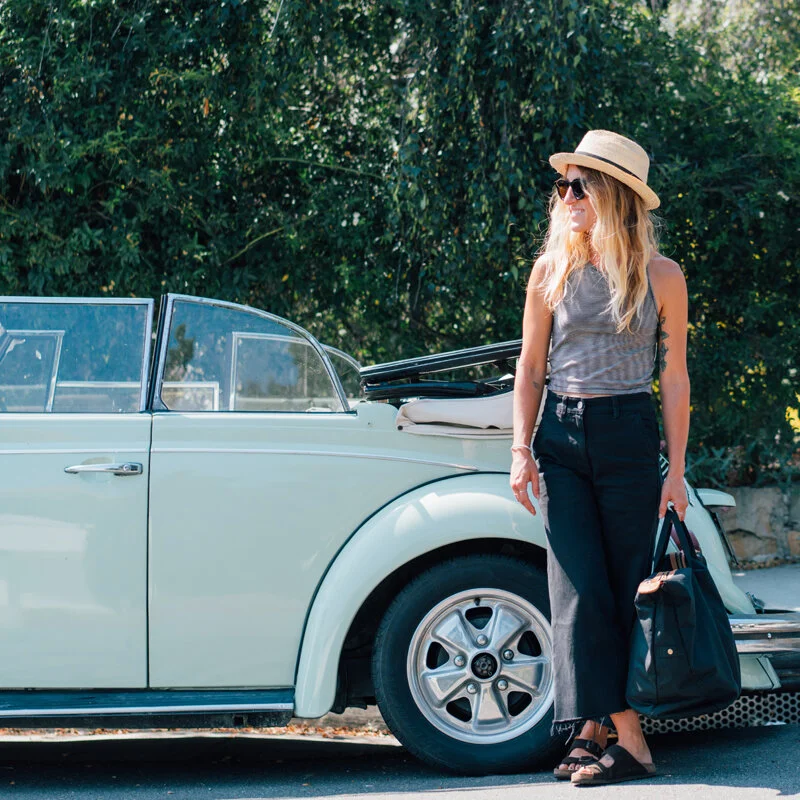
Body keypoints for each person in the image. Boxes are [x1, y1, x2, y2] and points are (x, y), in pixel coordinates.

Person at [510, 130, 690, 786]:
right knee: (577, 590)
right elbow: (529, 369)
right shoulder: (549, 271)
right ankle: (627, 738)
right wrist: (520, 450)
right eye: (563, 186)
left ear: (614, 197)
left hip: (629, 436)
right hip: (561, 435)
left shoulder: (661, 275)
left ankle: (596, 731)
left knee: (619, 589)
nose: (566, 197)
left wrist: (676, 472)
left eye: (580, 186)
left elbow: (674, 378)